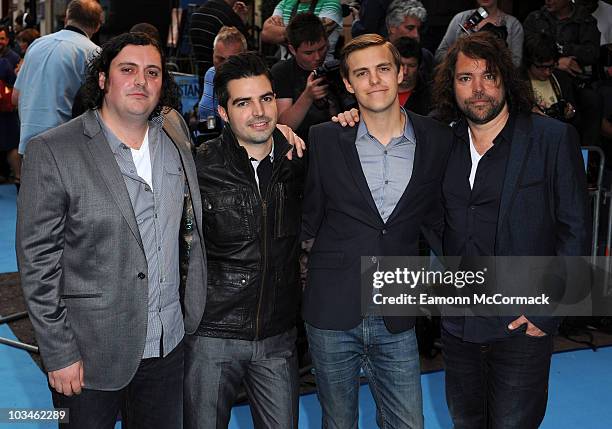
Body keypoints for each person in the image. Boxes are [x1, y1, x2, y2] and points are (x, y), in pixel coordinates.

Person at [16, 32, 208, 428]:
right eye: (128, 69)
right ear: (103, 79)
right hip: (89, 356)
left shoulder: (174, 134)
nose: (141, 80)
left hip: (168, 345)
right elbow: (38, 263)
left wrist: (280, 135)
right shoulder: (53, 150)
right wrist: (58, 353)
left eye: (152, 72)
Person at [432, 31, 590, 428]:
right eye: (466, 78)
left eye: (489, 76)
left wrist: (549, 308)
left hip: (521, 324)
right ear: (452, 86)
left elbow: (575, 229)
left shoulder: (551, 139)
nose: (479, 89)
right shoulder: (441, 143)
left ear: (506, 78)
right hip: (458, 326)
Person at [301, 34, 452, 428]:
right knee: (338, 422)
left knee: (408, 422)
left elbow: (442, 220)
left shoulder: (436, 138)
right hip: (332, 307)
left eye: (383, 69)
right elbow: (306, 219)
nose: (375, 81)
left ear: (401, 72)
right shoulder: (326, 138)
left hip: (398, 306)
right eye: (362, 74)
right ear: (349, 84)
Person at [185, 52, 304, 429]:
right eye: (243, 102)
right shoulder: (198, 166)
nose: (260, 112)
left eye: (266, 98)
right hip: (212, 336)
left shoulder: (296, 158)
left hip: (277, 337)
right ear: (222, 112)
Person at [13, 0, 103, 155]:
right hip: (65, 145)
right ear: (97, 25)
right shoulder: (94, 53)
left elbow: (15, 97)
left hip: (29, 142)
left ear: (66, 18)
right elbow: (98, 105)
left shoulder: (36, 44)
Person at [524, 0, 602, 145]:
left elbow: (591, 53)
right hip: (532, 135)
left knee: (591, 101)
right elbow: (532, 48)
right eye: (542, 67)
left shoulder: (585, 19)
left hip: (574, 80)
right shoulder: (535, 19)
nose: (548, 0)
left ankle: (587, 158)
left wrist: (569, 113)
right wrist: (558, 63)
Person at [271, 12, 344, 141]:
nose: (317, 57)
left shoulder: (337, 69)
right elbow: (283, 126)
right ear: (293, 50)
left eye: (321, 49)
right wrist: (308, 96)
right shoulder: (282, 72)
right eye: (308, 53)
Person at [435, 0, 524, 67]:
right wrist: (461, 57)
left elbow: (516, 63)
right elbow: (439, 55)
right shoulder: (460, 19)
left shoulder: (513, 24)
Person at [197, 26, 247, 135]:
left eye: (230, 60)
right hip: (205, 141)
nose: (224, 65)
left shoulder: (248, 83)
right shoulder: (211, 74)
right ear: (213, 54)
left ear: (243, 57)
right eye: (220, 59)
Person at [189, 0, 251, 80]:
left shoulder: (196, 15)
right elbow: (247, 52)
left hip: (203, 80)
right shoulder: (228, 16)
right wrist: (240, 22)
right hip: (226, 83)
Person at [261, 0, 342, 61]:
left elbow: (309, 35)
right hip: (286, 69)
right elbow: (266, 34)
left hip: (320, 68)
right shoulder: (284, 3)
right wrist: (299, 31)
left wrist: (280, 33)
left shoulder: (331, 3)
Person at [385, 0, 435, 81]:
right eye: (410, 28)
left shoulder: (426, 58)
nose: (416, 35)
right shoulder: (375, 56)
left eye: (418, 29)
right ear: (392, 27)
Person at [0, 25, 20, 190]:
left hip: (6, 111)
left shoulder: (10, 59)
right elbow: (16, 85)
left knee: (11, 146)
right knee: (11, 146)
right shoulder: (6, 63)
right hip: (6, 109)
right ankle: (19, 178)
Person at [394, 36, 432, 115]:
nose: (405, 71)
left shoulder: (430, 96)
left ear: (419, 66)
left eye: (411, 65)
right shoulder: (379, 88)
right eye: (400, 64)